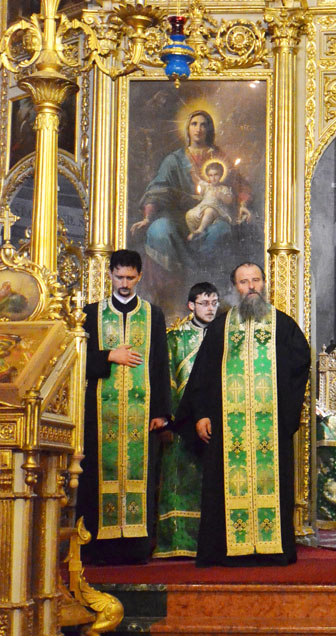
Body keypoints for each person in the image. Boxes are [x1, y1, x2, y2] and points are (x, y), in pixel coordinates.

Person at [187, 262, 310, 565]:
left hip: (271, 427)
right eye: (244, 282)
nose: (251, 286)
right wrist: (202, 414)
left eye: (256, 280)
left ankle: (272, 550)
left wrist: (285, 417)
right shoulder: (221, 328)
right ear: (235, 287)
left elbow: (300, 369)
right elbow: (201, 374)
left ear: (264, 283)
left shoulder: (284, 325)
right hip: (228, 429)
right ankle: (226, 551)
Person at [77, 250, 171, 565]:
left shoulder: (153, 314)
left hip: (141, 416)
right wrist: (108, 357)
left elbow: (160, 363)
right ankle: (96, 548)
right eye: (119, 276)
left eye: (131, 277)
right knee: (98, 475)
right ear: (110, 275)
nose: (125, 283)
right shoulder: (91, 313)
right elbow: (76, 361)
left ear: (139, 276)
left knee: (139, 475)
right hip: (99, 418)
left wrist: (160, 411)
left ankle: (135, 548)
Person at [130, 109, 253, 314]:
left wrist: (243, 206)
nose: (199, 129)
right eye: (194, 124)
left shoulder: (219, 157)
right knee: (159, 230)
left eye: (204, 124)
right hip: (180, 217)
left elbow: (238, 185)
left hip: (213, 214)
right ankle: (170, 299)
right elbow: (157, 189)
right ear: (187, 129)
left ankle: (210, 294)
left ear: (209, 129)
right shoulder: (174, 160)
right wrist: (147, 218)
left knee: (221, 231)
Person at [155, 281, 220, 558]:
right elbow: (167, 378)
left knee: (210, 481)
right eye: (204, 303)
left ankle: (210, 542)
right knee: (179, 479)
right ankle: (177, 543)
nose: (210, 308)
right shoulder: (176, 337)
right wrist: (167, 420)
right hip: (182, 420)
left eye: (214, 302)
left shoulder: (222, 335)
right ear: (191, 305)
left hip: (214, 418)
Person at [186, 159, 238, 240]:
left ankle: (200, 230)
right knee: (189, 214)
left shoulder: (223, 188)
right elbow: (197, 180)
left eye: (216, 175)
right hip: (202, 208)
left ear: (220, 175)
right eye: (210, 175)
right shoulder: (207, 186)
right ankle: (195, 234)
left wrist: (221, 195)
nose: (213, 178)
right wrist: (192, 171)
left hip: (217, 209)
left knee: (209, 210)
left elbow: (229, 200)